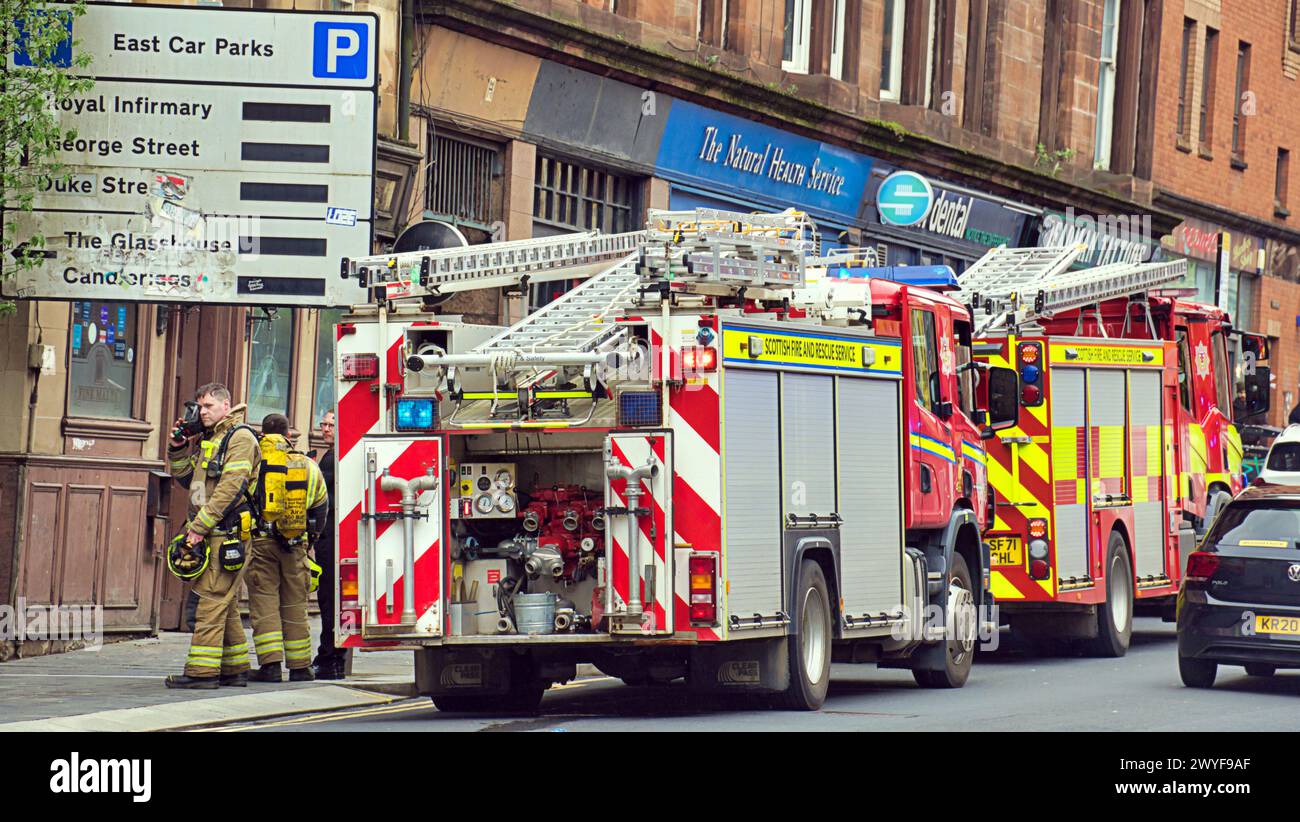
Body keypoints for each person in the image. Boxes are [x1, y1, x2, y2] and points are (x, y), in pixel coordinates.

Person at [165, 384, 261, 689]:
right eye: (199, 407)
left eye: (207, 406)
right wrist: (178, 448)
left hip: (227, 533)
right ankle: (234, 669)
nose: (202, 412)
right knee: (224, 601)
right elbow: (187, 480)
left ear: (226, 405)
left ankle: (201, 673)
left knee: (209, 600)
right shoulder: (211, 438)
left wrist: (197, 528)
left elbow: (229, 489)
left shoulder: (240, 438)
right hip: (212, 533)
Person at [246, 413, 329, 682]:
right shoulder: (307, 465)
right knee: (296, 604)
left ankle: (270, 667)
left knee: (265, 604)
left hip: (260, 543)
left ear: (262, 435)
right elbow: (321, 505)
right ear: (288, 436)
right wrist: (310, 540)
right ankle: (300, 667)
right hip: (296, 544)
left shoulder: (254, 465)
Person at [311, 410, 345, 679]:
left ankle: (328, 657)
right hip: (335, 535)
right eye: (323, 424)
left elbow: (319, 497)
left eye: (331, 424)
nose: (325, 428)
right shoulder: (335, 454)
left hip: (330, 537)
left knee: (328, 599)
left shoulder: (333, 458)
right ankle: (334, 658)